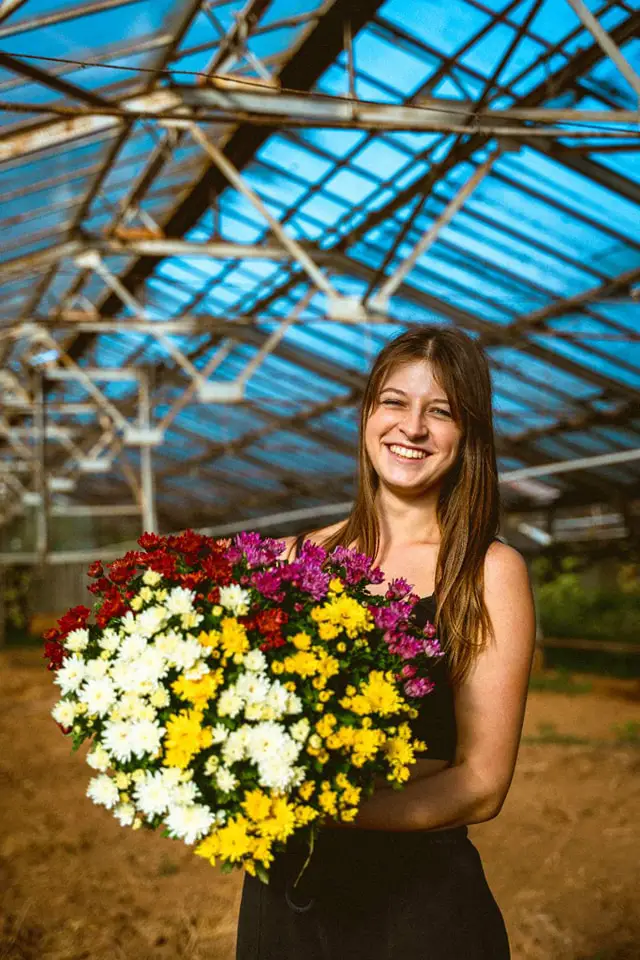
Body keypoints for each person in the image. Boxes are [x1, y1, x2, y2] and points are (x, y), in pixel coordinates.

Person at [235, 326, 536, 959]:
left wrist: (320, 813)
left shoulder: (485, 572)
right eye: (394, 401)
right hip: (287, 898)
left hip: (412, 911)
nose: (413, 427)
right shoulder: (295, 559)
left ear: (469, 434)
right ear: (367, 413)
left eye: (441, 410)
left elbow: (482, 783)